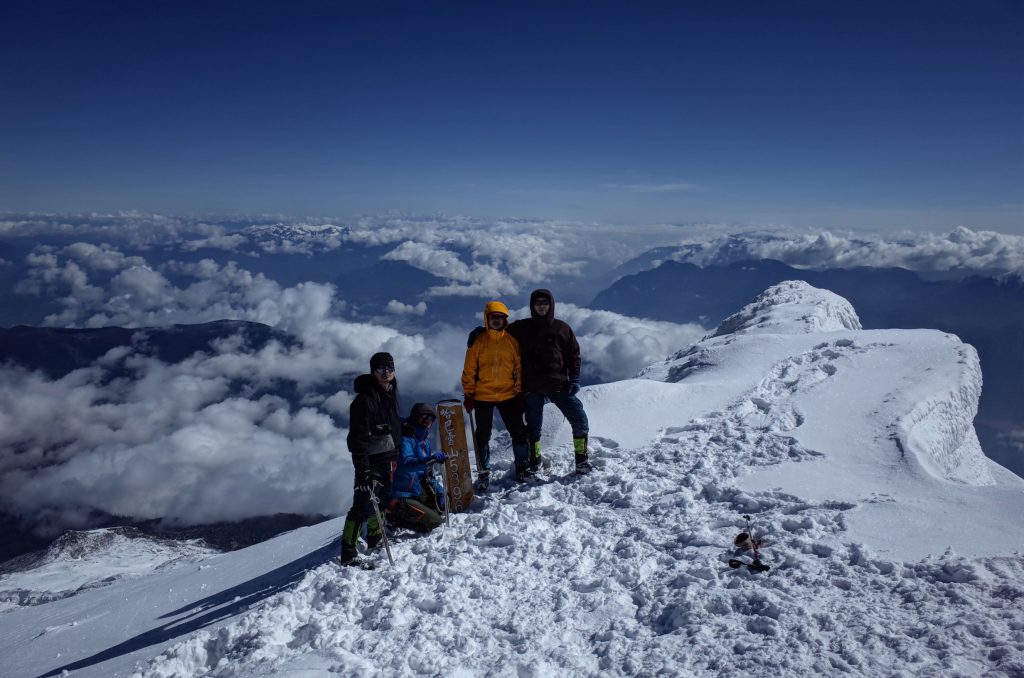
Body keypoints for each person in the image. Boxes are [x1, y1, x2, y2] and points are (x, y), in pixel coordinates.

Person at [468, 289, 591, 474]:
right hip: (532, 387)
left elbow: (573, 355)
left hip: (558, 385)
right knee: (534, 430)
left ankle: (581, 461)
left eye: (545, 303)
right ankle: (534, 462)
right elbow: (498, 329)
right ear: (532, 306)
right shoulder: (522, 327)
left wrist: (574, 378)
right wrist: (480, 332)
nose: (541, 307)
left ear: (551, 305)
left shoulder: (562, 328)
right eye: (538, 303)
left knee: (580, 420)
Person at [339, 351, 402, 568]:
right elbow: (358, 440)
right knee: (363, 505)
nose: (386, 373)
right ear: (372, 371)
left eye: (390, 368)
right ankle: (348, 551)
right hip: (371, 461)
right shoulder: (364, 401)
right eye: (381, 368)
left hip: (388, 457)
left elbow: (392, 424)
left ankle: (375, 536)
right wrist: (362, 471)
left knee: (383, 500)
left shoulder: (390, 393)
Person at [461, 301, 531, 487]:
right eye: (493, 318)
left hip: (508, 394)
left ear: (505, 319)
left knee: (518, 431)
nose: (497, 321)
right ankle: (484, 472)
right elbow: (469, 369)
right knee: (482, 435)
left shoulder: (511, 341)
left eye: (500, 318)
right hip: (483, 395)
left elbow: (518, 368)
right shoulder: (478, 341)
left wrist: (519, 392)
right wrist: (468, 394)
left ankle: (522, 467)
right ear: (487, 319)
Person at [390, 403, 446, 533]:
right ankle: (392, 518)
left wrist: (440, 492)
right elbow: (405, 464)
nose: (427, 422)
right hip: (401, 496)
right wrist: (429, 459)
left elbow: (426, 474)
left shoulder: (424, 441)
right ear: (415, 417)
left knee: (444, 505)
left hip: (417, 491)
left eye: (430, 419)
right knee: (435, 523)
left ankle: (414, 511)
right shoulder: (405, 438)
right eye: (424, 417)